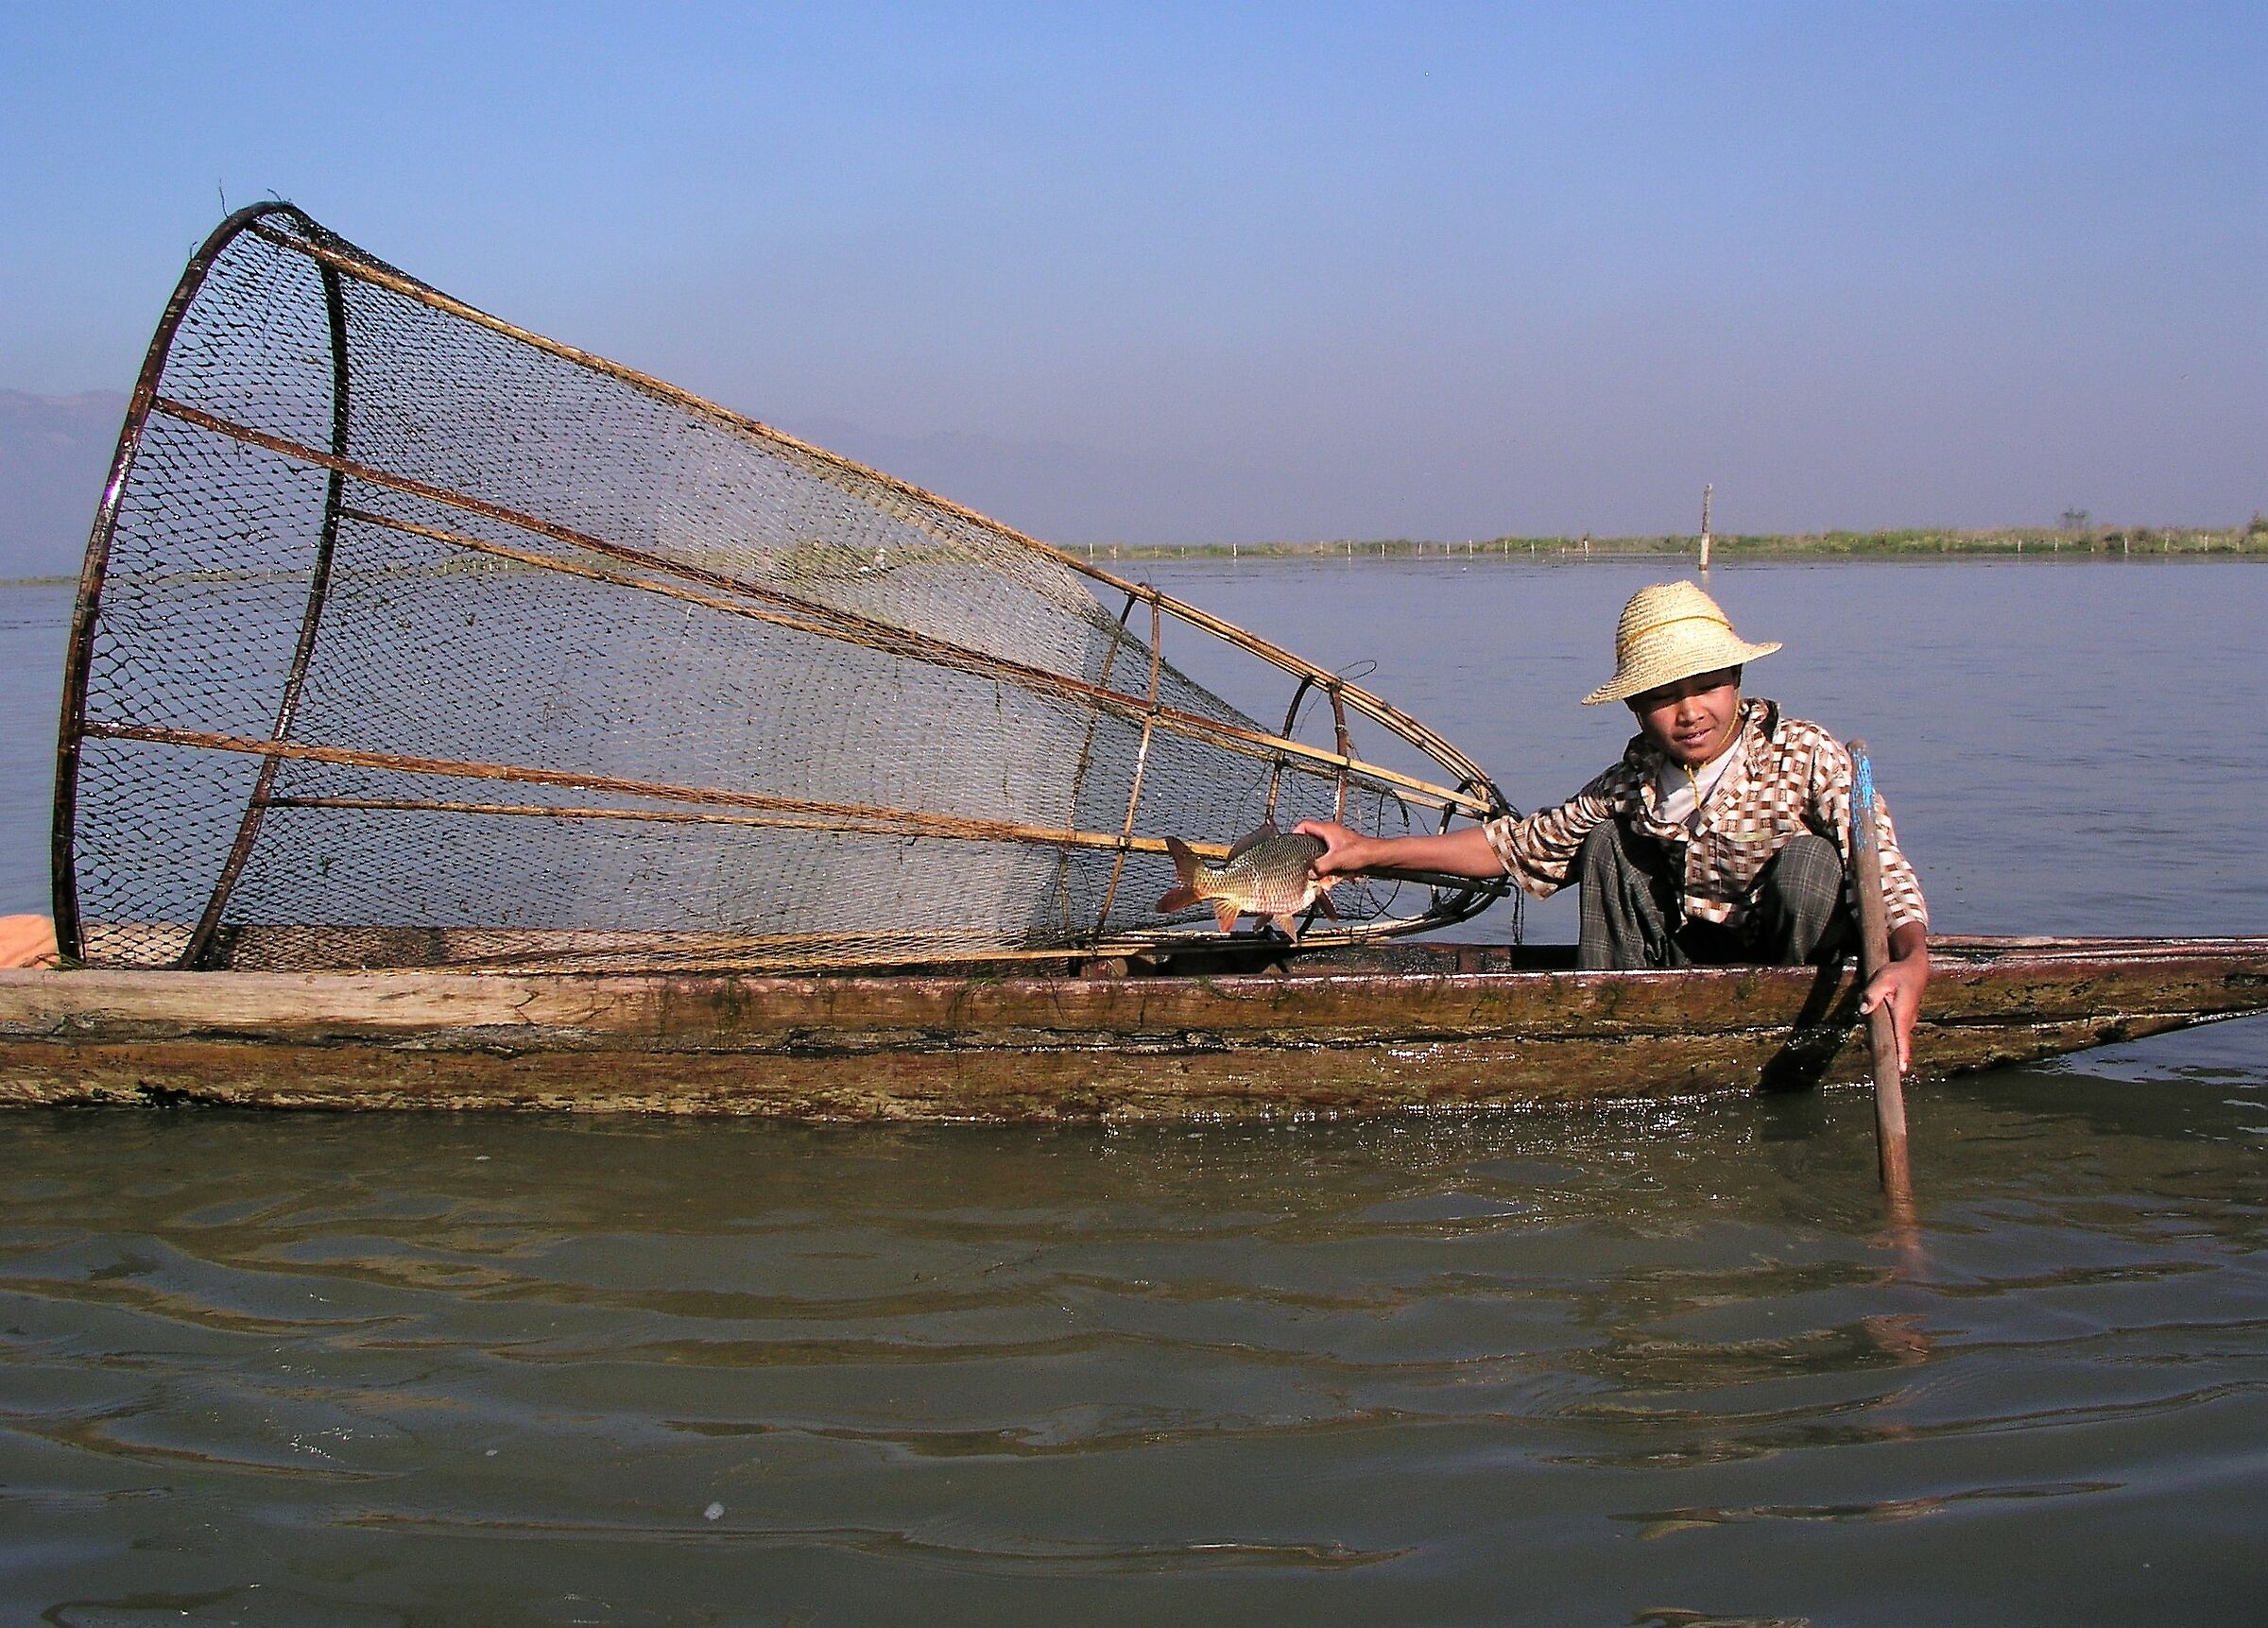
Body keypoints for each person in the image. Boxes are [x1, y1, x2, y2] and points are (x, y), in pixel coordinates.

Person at [1297, 579, 1930, 1067]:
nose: (1688, 712)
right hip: (1679, 961)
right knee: (1605, 844)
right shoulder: (1635, 780)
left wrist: (1913, 959)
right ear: (1634, 708)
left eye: (1707, 685)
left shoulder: (1806, 754)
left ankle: (1792, 1036)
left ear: (1736, 680)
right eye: (1661, 696)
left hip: (1793, 972)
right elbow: (1517, 847)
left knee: (1813, 862)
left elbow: (1885, 871)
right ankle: (1616, 1023)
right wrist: (1364, 852)